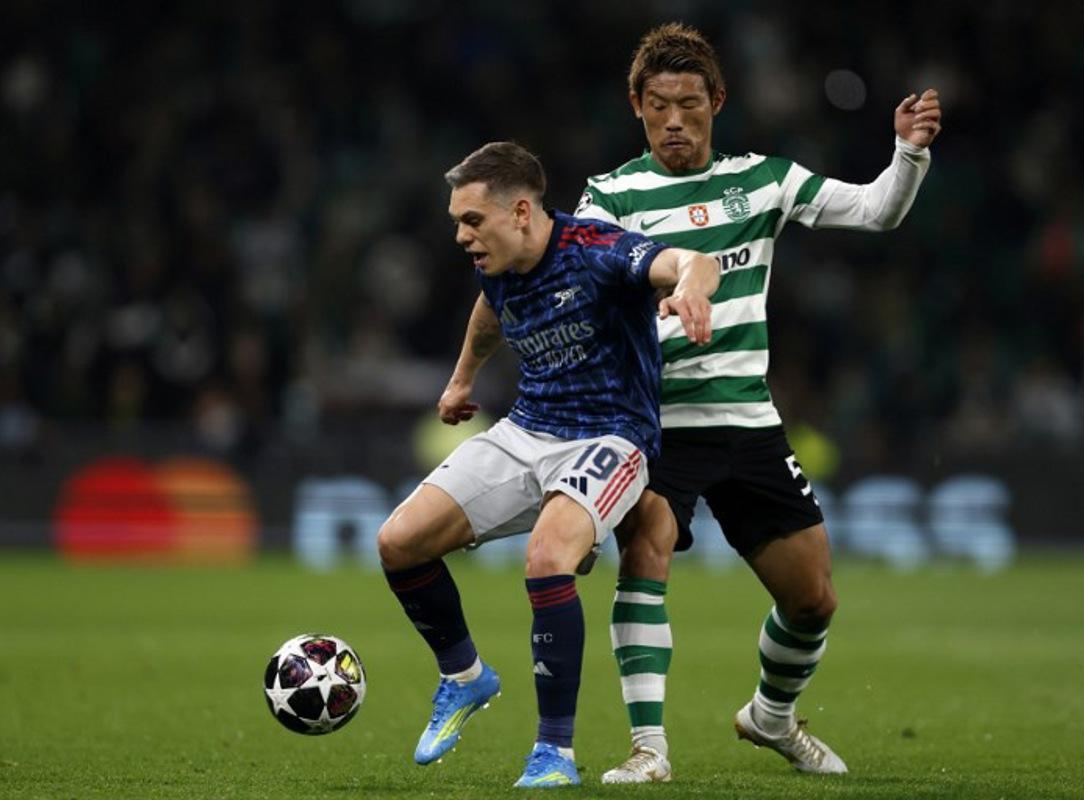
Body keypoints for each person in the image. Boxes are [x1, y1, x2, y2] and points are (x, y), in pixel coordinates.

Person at [573, 23, 943, 783]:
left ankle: (772, 716)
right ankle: (649, 750)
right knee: (645, 552)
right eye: (658, 106)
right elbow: (591, 298)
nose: (674, 121)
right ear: (636, 107)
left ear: (718, 101)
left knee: (814, 601)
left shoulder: (766, 180)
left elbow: (877, 211)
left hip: (748, 425)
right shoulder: (609, 197)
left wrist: (907, 153)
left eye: (689, 104)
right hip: (658, 425)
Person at [376, 140, 719, 788]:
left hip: (612, 435)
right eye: (457, 222)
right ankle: (464, 677)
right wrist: (461, 380)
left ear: (521, 211)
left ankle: (553, 752)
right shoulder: (498, 264)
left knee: (546, 557)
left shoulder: (596, 250)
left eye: (472, 220)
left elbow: (692, 261)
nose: (461, 236)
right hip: (528, 428)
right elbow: (489, 311)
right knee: (398, 543)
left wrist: (691, 291)